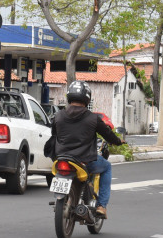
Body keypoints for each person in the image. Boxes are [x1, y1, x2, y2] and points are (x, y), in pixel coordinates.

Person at [51, 80, 125, 219]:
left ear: (69, 97)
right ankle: (101, 206)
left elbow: (53, 135)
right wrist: (118, 141)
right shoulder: (93, 118)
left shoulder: (58, 116)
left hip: (61, 158)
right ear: (87, 98)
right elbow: (108, 135)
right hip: (84, 160)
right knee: (107, 167)